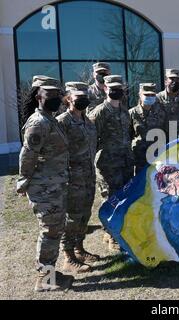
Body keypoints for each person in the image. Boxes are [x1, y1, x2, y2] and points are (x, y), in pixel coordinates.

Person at [16, 76, 74, 292]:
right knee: (50, 230)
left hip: (55, 185)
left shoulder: (51, 119)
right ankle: (45, 278)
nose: (55, 99)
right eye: (49, 96)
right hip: (44, 188)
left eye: (57, 95)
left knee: (55, 229)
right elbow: (28, 154)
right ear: (39, 97)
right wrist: (23, 181)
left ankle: (50, 272)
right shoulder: (38, 122)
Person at [87, 75, 134, 251]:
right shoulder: (99, 112)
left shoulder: (124, 111)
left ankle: (119, 230)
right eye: (112, 88)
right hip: (108, 164)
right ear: (105, 89)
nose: (116, 91)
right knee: (110, 199)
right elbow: (91, 139)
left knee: (123, 197)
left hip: (125, 162)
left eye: (119, 88)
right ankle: (111, 234)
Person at [57, 82, 99, 273]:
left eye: (84, 97)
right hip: (72, 179)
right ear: (68, 99)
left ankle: (79, 249)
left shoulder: (89, 122)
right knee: (72, 218)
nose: (82, 101)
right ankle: (68, 257)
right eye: (77, 98)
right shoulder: (62, 122)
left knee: (84, 215)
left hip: (89, 177)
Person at [130, 83, 167, 175]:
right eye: (146, 95)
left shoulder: (161, 113)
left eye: (152, 95)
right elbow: (128, 135)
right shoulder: (132, 113)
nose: (150, 97)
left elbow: (166, 132)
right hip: (139, 159)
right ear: (140, 94)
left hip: (157, 158)